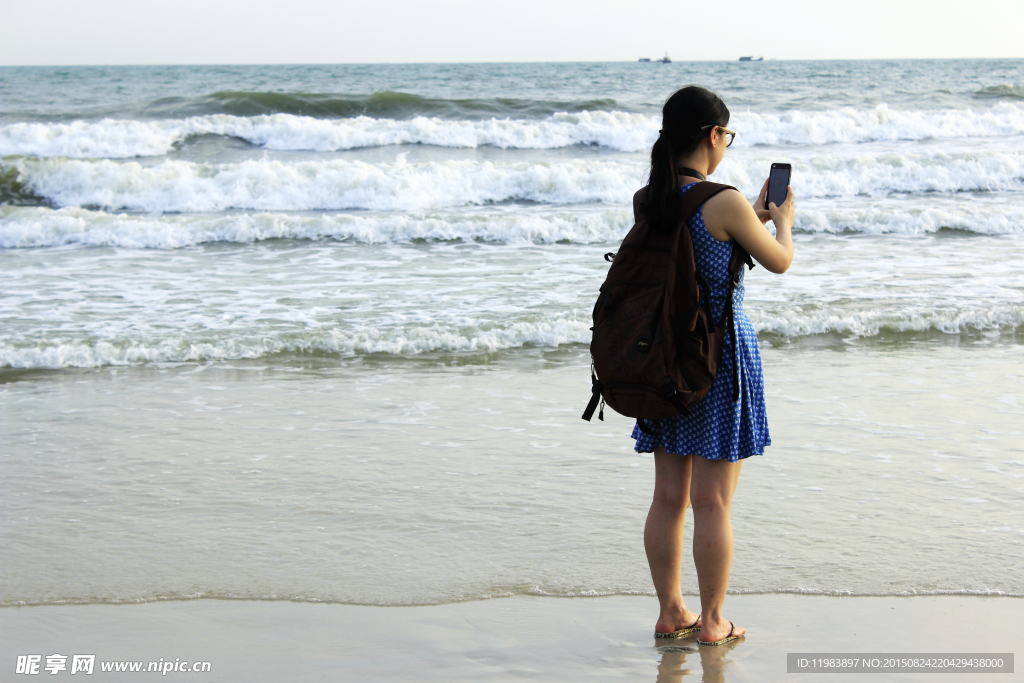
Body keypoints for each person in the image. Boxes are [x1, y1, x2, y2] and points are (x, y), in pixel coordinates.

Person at [633, 85, 795, 646]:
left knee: (669, 498)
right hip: (719, 359)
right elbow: (779, 260)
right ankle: (715, 621)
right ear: (711, 136)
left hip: (663, 359)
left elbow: (695, 237)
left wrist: (742, 214)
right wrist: (783, 220)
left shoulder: (647, 199)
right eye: (726, 135)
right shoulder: (723, 202)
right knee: (714, 500)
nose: (725, 144)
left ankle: (671, 612)